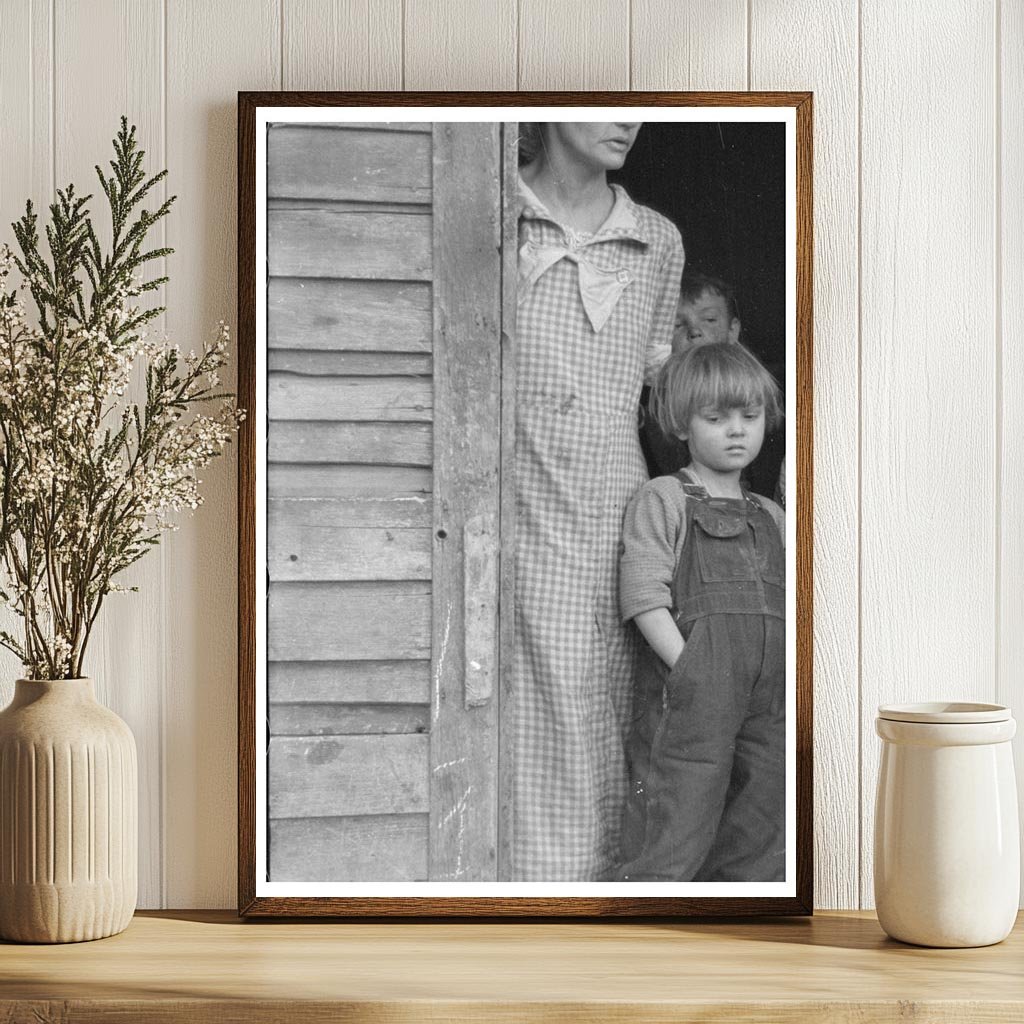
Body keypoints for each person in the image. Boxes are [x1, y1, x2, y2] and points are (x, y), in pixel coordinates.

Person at [513, 122, 685, 881]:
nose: (628, 120)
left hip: (609, 494)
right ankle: (515, 886)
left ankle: (592, 889)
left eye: (636, 104)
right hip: (511, 484)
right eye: (603, 100)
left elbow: (665, 396)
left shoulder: (656, 239)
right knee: (516, 686)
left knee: (601, 693)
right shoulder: (488, 207)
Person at [616, 341, 786, 882]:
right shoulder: (664, 497)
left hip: (770, 696)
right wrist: (690, 668)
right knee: (676, 821)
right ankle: (644, 933)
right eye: (716, 417)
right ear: (683, 425)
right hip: (694, 692)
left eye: (749, 416)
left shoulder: (773, 514)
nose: (736, 430)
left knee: (760, 828)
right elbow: (644, 593)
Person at [641, 273, 743, 478]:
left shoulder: (749, 394)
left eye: (709, 320)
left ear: (733, 330)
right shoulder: (647, 406)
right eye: (677, 325)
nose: (694, 331)